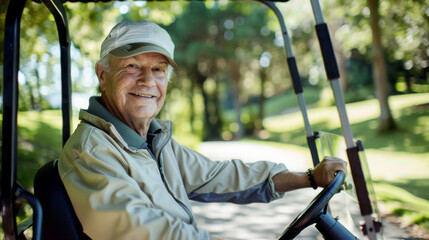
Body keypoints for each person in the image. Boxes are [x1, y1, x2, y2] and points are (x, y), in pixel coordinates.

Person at [58, 20, 347, 240]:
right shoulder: (92, 151)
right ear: (102, 75)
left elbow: (217, 176)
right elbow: (143, 230)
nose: (147, 81)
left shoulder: (154, 141)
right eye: (132, 66)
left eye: (158, 70)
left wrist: (309, 178)